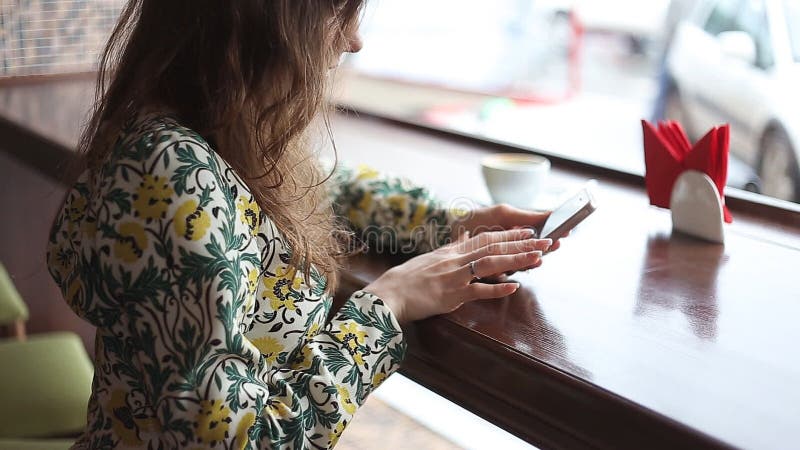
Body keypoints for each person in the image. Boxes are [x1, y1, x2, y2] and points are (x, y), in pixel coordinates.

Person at [46, 1, 560, 448]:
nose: (353, 40)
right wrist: (384, 307)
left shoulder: (202, 128)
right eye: (340, 11)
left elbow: (321, 187)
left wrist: (449, 223)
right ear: (267, 16)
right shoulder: (173, 178)